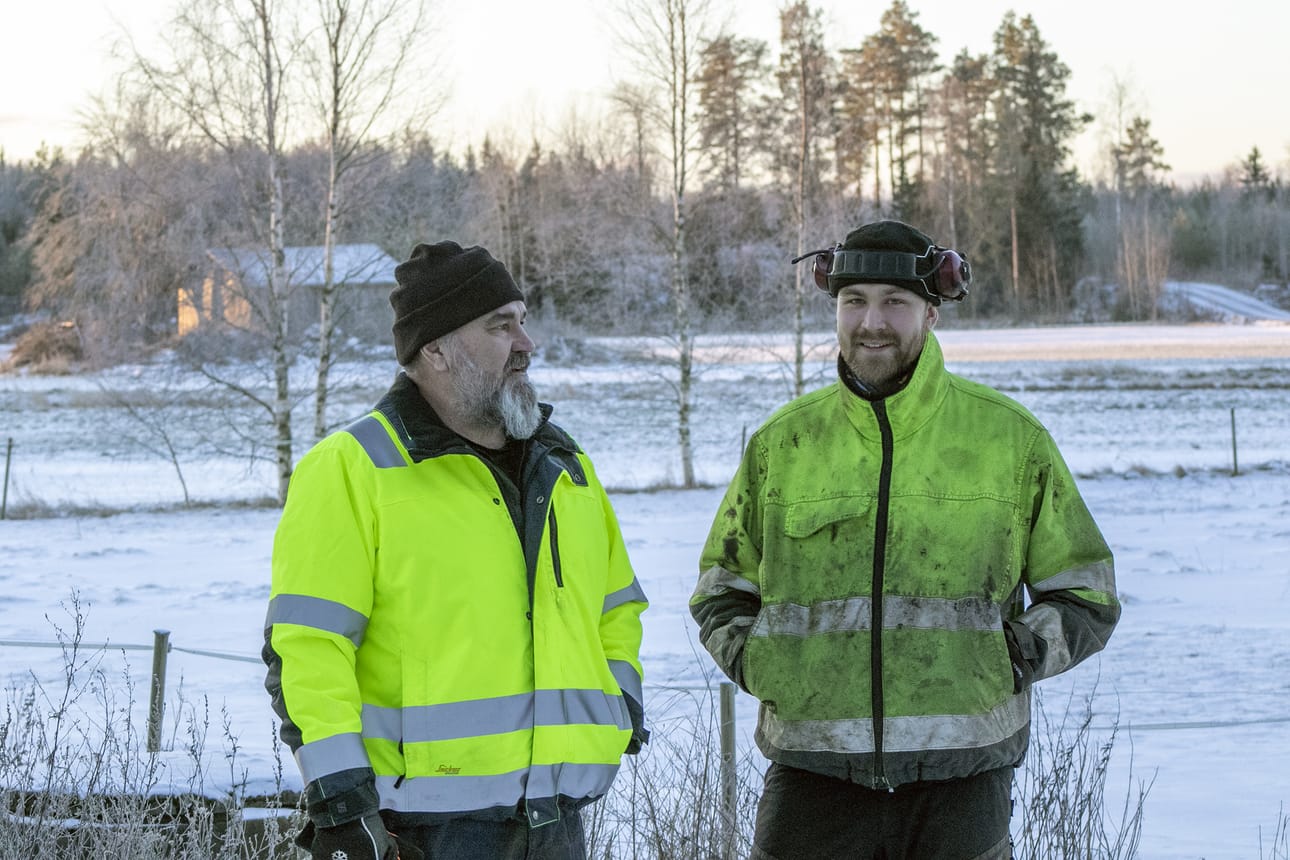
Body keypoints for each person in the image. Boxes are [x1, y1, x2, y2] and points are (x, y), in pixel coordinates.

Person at [689, 220, 1120, 859]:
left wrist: (1013, 654)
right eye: (853, 300)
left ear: (932, 312)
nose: (872, 322)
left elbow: (1086, 592)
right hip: (813, 776)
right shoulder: (785, 444)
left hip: (963, 779)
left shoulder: (1008, 440)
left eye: (895, 301)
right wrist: (761, 662)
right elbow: (721, 590)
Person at [264, 241, 649, 860]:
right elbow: (308, 650)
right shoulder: (352, 469)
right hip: (422, 829)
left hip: (559, 821)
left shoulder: (567, 469)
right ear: (436, 349)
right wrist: (342, 806)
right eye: (501, 326)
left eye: (522, 320)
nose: (526, 343)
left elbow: (617, 607)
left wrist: (617, 707)